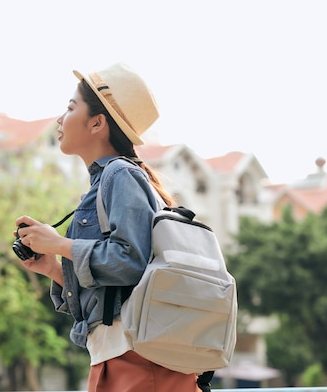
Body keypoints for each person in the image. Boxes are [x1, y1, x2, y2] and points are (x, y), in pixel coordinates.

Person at [14, 63, 202, 392]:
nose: (60, 119)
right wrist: (55, 269)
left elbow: (128, 261)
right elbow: (116, 289)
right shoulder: (109, 180)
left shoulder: (120, 174)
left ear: (98, 123)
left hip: (138, 361)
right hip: (121, 357)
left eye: (71, 108)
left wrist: (60, 244)